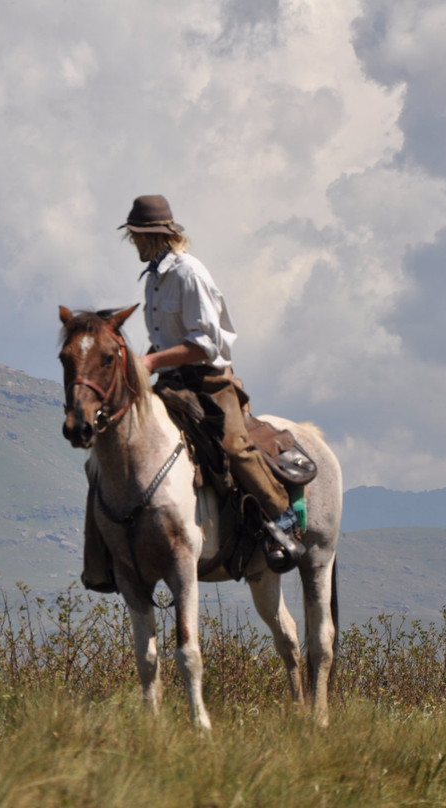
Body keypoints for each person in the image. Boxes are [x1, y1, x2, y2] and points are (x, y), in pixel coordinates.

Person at [81, 194, 305, 593]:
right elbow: (165, 339)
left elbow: (205, 345)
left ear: (153, 236)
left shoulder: (189, 274)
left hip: (210, 382)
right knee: (108, 452)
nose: (133, 243)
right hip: (171, 384)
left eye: (136, 236)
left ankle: (281, 517)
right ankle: (105, 558)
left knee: (234, 446)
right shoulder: (153, 279)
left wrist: (149, 362)